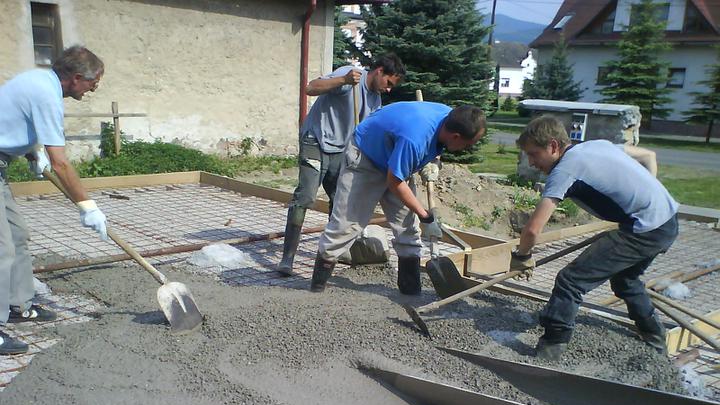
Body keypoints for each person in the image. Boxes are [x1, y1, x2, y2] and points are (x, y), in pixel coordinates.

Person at [512, 115, 679, 361]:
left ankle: (552, 347)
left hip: (645, 229)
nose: (531, 162)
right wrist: (645, 200)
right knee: (625, 281)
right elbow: (648, 156)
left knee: (570, 280)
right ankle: (654, 337)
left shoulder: (564, 170)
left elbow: (532, 231)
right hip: (667, 220)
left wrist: (521, 257)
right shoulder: (597, 145)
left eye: (534, 154)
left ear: (553, 146)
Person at [310, 102, 486, 294]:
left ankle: (410, 291)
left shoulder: (451, 117)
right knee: (346, 225)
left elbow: (433, 145)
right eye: (467, 145)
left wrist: (433, 161)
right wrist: (425, 216)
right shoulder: (414, 140)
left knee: (408, 229)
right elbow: (395, 183)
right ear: (456, 137)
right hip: (366, 158)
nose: (466, 149)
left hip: (396, 156)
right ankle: (316, 289)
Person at [0, 45, 108, 355]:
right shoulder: (47, 94)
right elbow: (61, 163)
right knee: (2, 248)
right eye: (93, 83)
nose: (93, 90)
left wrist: (31, 151)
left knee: (17, 236)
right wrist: (87, 206)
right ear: (76, 78)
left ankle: (18, 305)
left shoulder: (39, 81)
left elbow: (12, 118)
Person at [277, 54, 406, 276]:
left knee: (340, 199)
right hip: (315, 140)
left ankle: (335, 250)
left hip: (341, 149)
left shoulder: (375, 100)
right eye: (388, 83)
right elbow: (310, 88)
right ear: (379, 72)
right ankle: (287, 258)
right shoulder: (350, 76)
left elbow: (369, 131)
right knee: (306, 196)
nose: (388, 89)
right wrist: (342, 81)